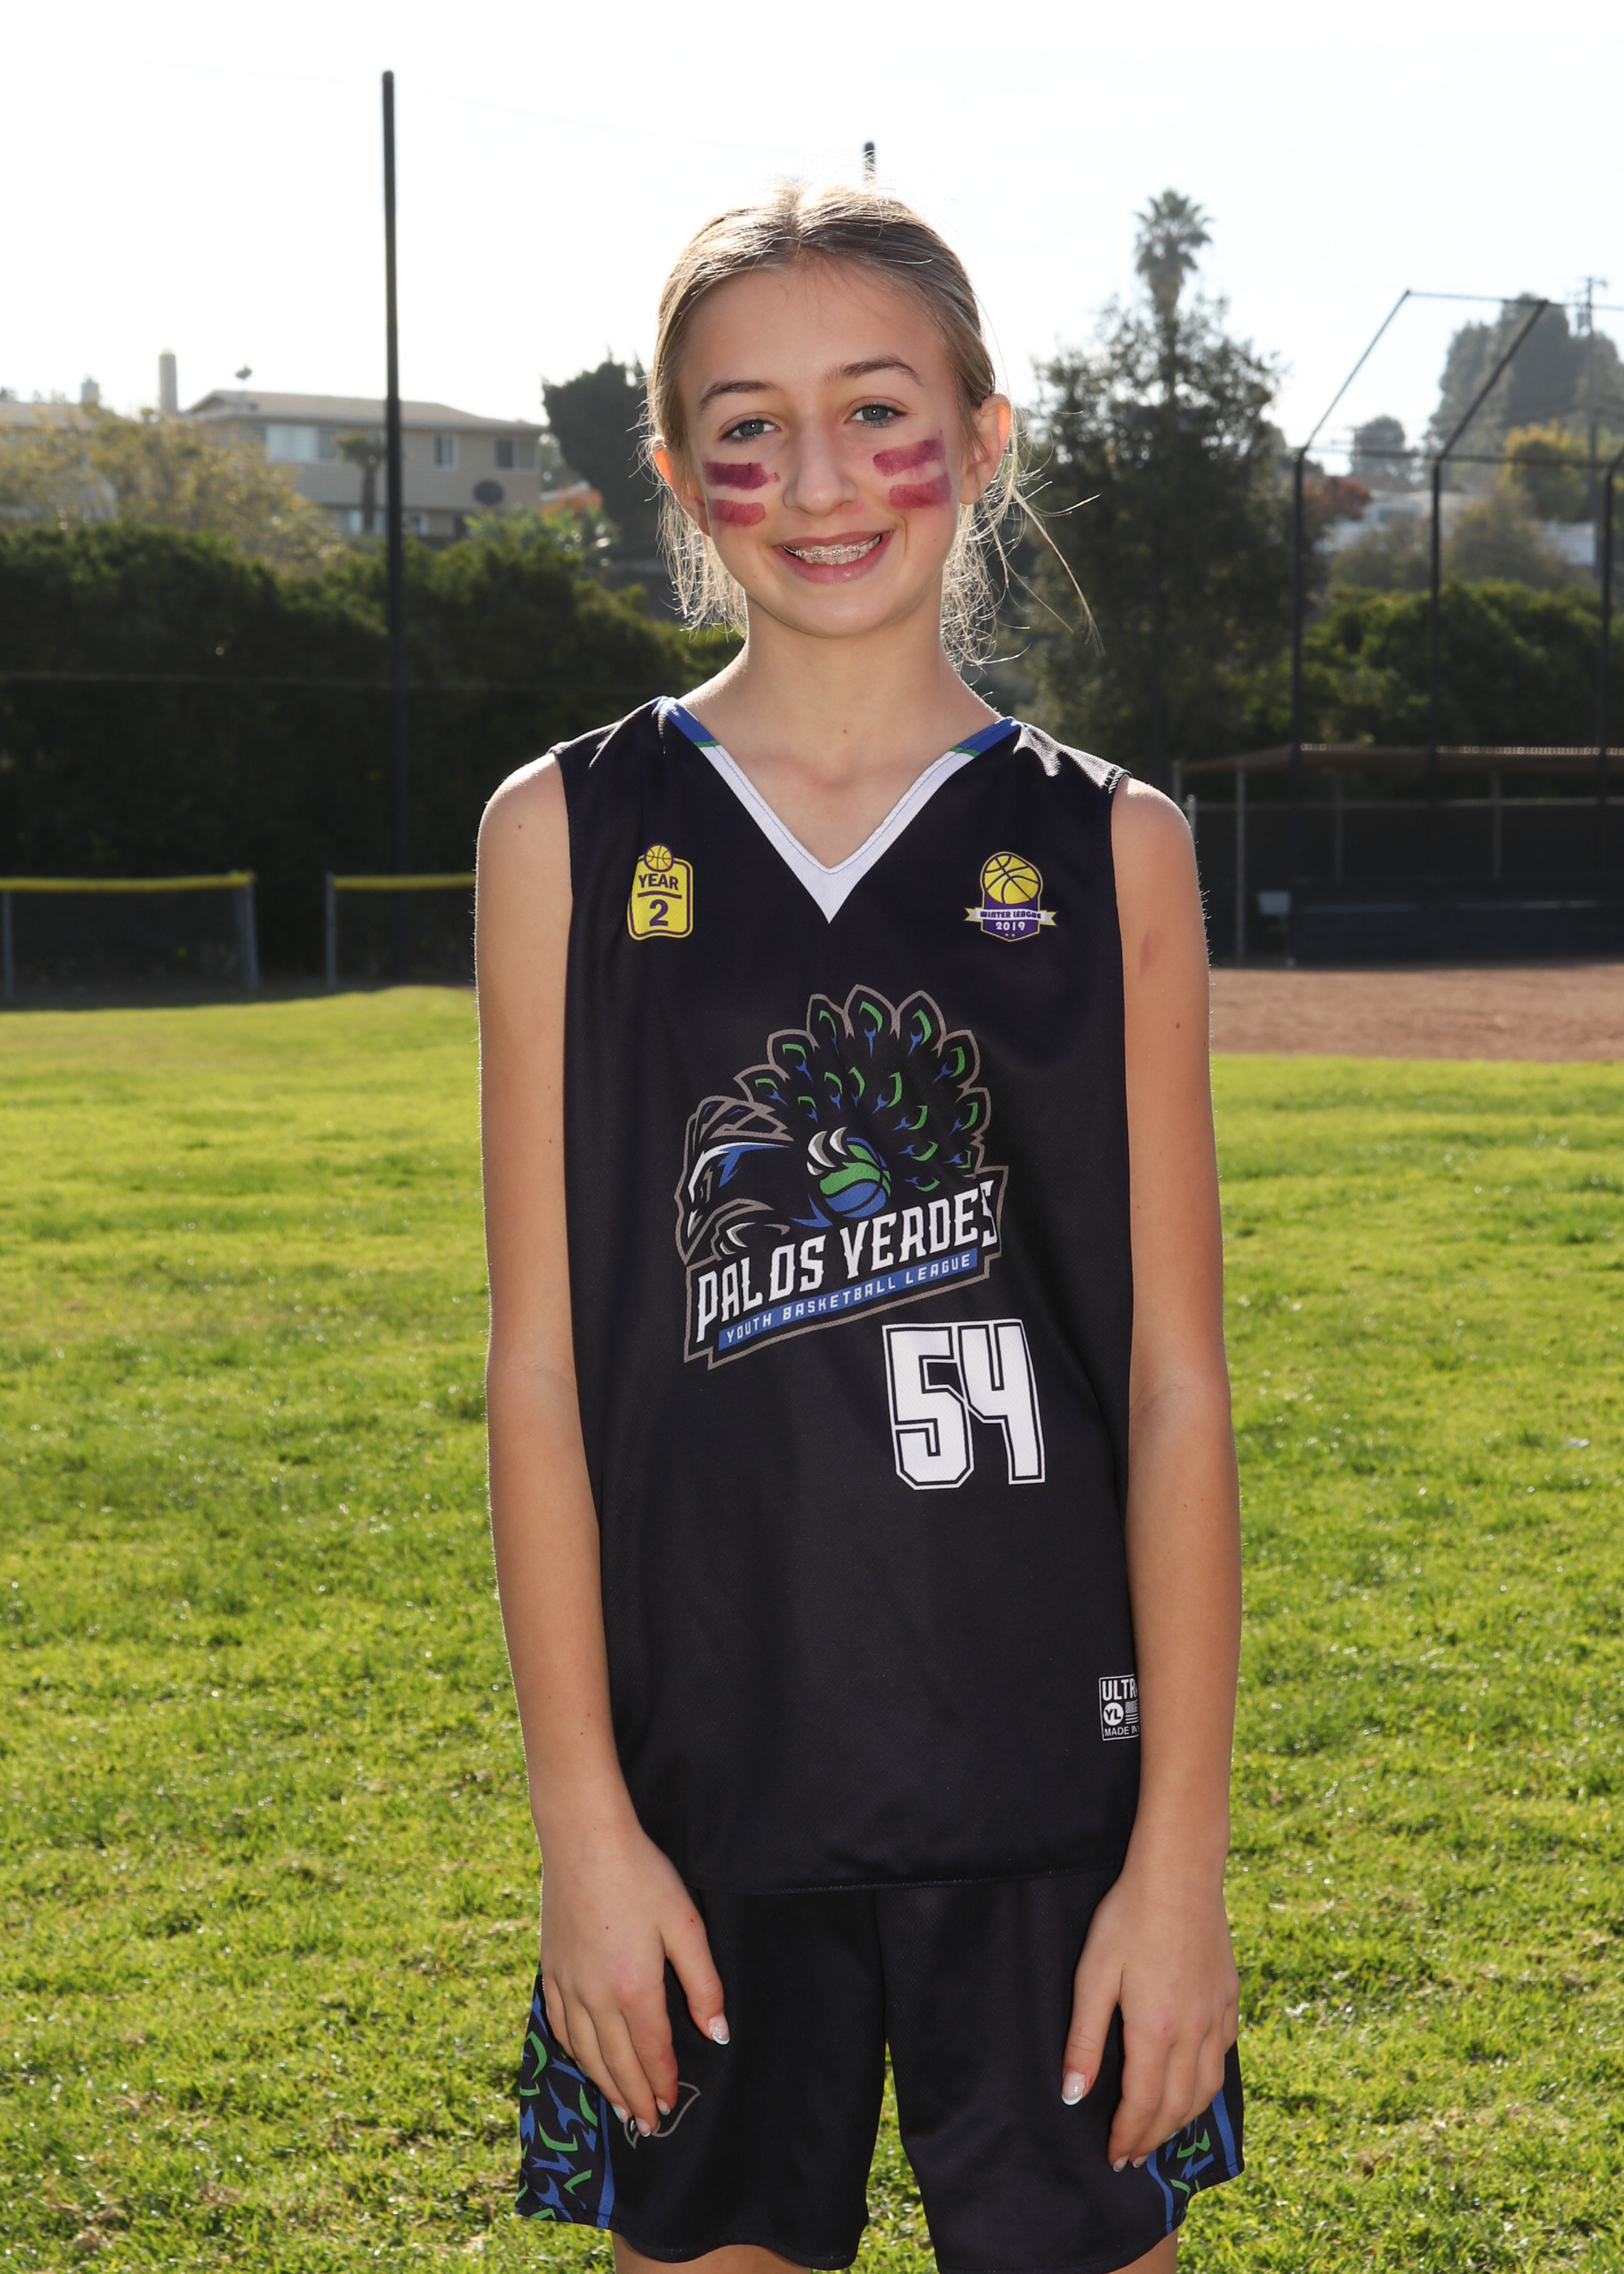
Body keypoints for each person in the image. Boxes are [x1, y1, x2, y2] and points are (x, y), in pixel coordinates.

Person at [477, 181, 1243, 2274]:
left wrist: (1181, 1863)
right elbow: (538, 1374)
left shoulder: (1113, 847)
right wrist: (582, 1830)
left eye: (878, 410)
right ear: (677, 475)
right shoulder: (566, 832)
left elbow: (1172, 1387)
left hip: (1050, 1798)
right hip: (701, 1799)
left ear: (983, 436)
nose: (817, 481)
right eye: (749, 428)